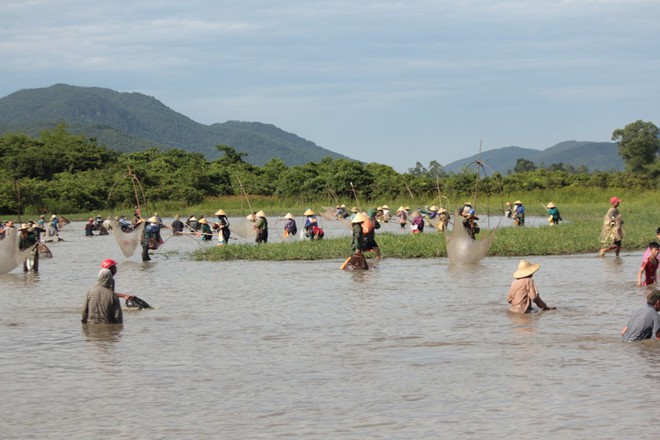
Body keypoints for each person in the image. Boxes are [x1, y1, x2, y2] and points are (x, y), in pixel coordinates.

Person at [81, 259, 123, 325]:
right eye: (115, 267)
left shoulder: (89, 292)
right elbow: (118, 317)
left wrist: (84, 324)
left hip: (91, 326)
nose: (116, 269)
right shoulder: (113, 295)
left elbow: (84, 311)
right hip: (107, 325)